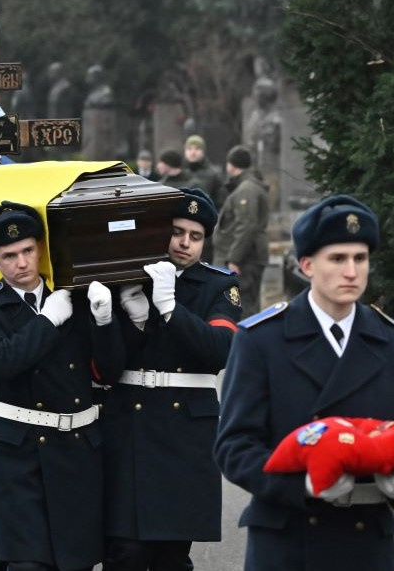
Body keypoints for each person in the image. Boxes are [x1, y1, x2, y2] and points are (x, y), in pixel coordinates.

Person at [215, 195, 394, 571]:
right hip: (288, 539)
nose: (352, 272)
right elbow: (234, 446)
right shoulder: (263, 340)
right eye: (338, 259)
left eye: (360, 259)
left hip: (365, 542)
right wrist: (302, 484)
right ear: (307, 265)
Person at [0, 201, 125, 571]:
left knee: (76, 562)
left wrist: (104, 319)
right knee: (28, 565)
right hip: (19, 452)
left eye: (28, 250)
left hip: (76, 447)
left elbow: (109, 370)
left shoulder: (75, 296)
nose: (22, 263)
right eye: (10, 255)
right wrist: (47, 321)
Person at [102, 188, 240, 571]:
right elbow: (106, 363)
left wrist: (170, 309)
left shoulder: (218, 285)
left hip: (184, 432)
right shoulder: (130, 276)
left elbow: (220, 351)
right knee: (125, 551)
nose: (184, 243)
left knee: (171, 554)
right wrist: (128, 318)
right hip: (130, 422)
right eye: (178, 231)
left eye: (195, 237)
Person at [213, 145, 269, 318]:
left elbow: (246, 225)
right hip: (245, 258)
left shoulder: (246, 190)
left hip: (244, 260)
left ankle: (245, 344)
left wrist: (234, 259)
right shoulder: (248, 186)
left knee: (244, 308)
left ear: (232, 165)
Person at [182, 135, 226, 210]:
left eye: (197, 149)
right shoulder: (180, 173)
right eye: (189, 149)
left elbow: (220, 202)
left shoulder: (213, 174)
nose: (193, 152)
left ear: (203, 151)